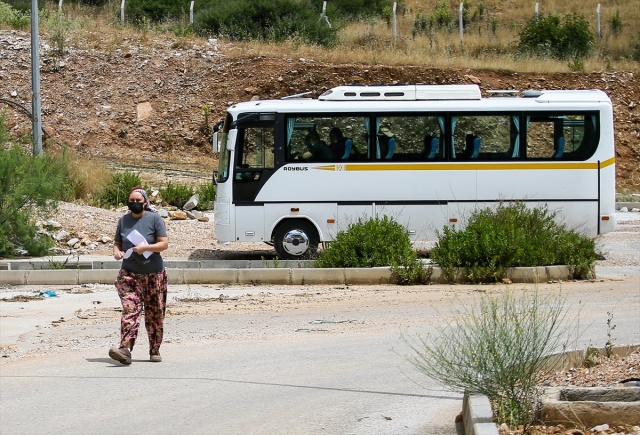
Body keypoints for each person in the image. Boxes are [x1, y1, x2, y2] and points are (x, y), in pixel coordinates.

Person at [109, 187, 169, 365]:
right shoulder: (123, 221)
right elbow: (117, 243)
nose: (134, 203)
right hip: (129, 274)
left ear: (145, 203)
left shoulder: (155, 219)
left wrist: (145, 248)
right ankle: (125, 349)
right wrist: (117, 252)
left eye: (138, 200)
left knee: (155, 313)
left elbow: (163, 244)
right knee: (130, 310)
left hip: (153, 274)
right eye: (131, 200)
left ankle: (155, 349)